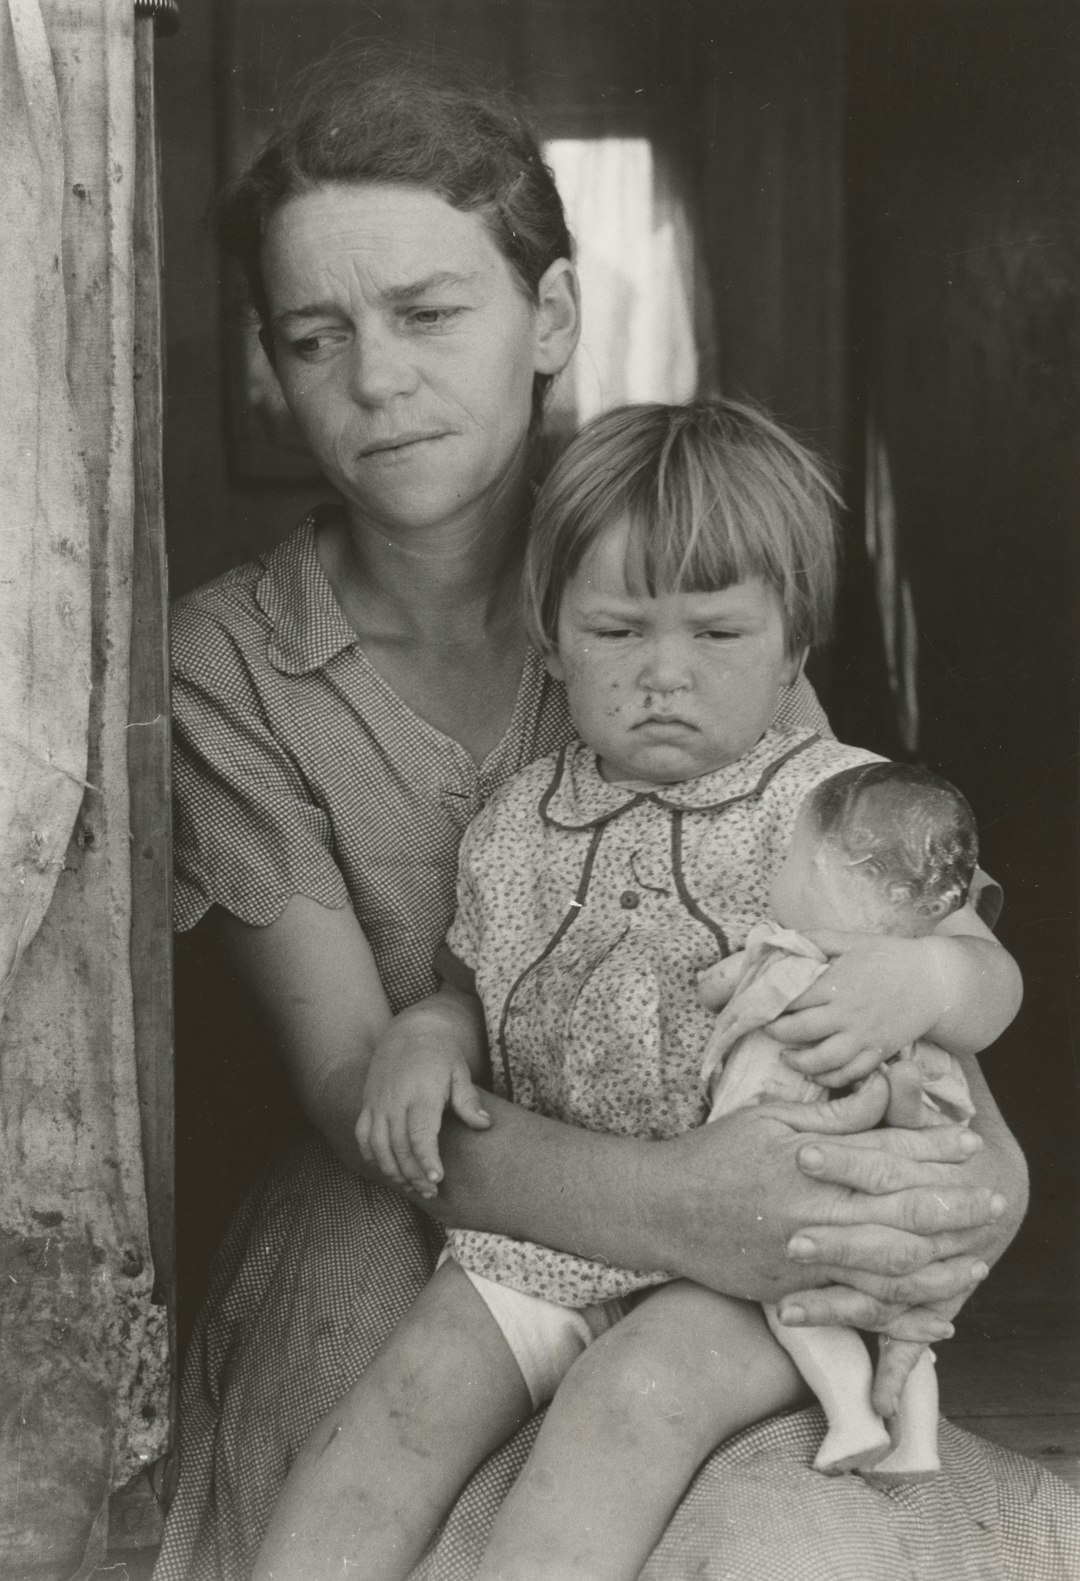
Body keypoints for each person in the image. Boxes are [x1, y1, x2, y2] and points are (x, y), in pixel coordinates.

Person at [154, 45, 1072, 1581]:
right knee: (381, 1428)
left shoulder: (683, 598)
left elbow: (866, 927)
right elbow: (354, 1090)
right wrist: (680, 1206)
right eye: (317, 337)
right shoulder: (226, 668)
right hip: (416, 1210)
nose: (378, 379)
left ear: (554, 320)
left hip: (724, 1192)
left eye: (432, 313)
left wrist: (973, 1179)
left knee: (771, 1514)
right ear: (271, 362)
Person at [251, 400, 1022, 1581]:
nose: (665, 676)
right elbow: (475, 985)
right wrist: (425, 1036)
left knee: (631, 1397)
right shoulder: (516, 825)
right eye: (617, 631)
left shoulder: (837, 805)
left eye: (716, 635)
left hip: (767, 1261)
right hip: (559, 1234)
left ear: (794, 653)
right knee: (409, 1391)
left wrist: (918, 977)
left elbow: (988, 973)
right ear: (551, 641)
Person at [701, 759, 983, 1484]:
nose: (781, 871)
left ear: (828, 872)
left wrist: (714, 979)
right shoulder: (908, 1000)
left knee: (796, 1303)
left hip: (793, 1174)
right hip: (886, 1199)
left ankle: (851, 1418)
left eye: (792, 858)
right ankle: (917, 1441)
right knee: (899, 1319)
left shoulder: (784, 954)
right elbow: (932, 1110)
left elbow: (718, 985)